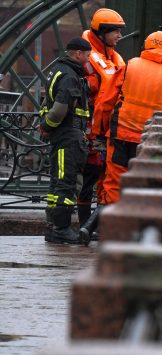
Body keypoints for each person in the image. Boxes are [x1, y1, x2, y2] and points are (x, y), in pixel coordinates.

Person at [96, 30, 162, 206]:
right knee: (146, 180)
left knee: (114, 181)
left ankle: (111, 225)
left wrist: (99, 131)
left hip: (120, 133)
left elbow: (106, 101)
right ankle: (139, 224)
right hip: (149, 138)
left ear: (145, 46)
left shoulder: (130, 66)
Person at [39, 37, 92, 244]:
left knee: (56, 182)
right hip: (68, 135)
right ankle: (61, 228)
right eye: (87, 55)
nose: (88, 59)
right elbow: (60, 109)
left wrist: (45, 124)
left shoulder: (57, 70)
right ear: (78, 53)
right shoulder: (70, 76)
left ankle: (53, 227)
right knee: (65, 182)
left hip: (61, 135)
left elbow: (47, 103)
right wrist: (47, 126)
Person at [78, 8, 125, 234]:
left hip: (104, 129)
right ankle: (85, 225)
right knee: (90, 176)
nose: (119, 35)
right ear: (102, 31)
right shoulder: (87, 57)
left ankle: (94, 227)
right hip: (89, 129)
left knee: (103, 176)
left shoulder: (111, 55)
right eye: (115, 31)